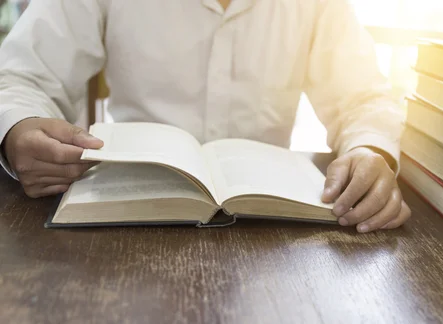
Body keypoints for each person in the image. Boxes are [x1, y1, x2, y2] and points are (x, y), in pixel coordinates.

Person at [0, 0, 411, 233]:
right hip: (125, 217)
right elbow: (17, 75)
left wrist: (371, 149)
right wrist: (17, 128)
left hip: (269, 226)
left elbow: (365, 97)